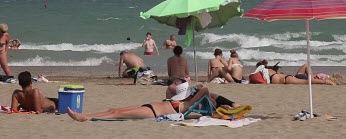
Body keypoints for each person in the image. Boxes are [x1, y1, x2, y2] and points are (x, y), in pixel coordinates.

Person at [67, 81, 210, 122]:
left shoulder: (189, 105)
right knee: (113, 110)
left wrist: (195, 89)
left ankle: (84, 117)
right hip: (147, 107)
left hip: (153, 112)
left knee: (117, 113)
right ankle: (86, 115)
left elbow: (205, 90)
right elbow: (170, 87)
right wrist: (189, 89)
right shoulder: (177, 99)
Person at [165, 77, 240, 109]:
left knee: (210, 94)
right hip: (197, 103)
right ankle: (229, 104)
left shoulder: (176, 90)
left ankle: (229, 104)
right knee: (206, 91)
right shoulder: (171, 87)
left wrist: (196, 88)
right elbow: (205, 90)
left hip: (196, 101)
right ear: (175, 81)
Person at [256, 60, 335, 85]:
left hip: (290, 78)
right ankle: (323, 80)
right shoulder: (269, 71)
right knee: (307, 75)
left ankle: (322, 80)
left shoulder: (266, 72)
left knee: (308, 79)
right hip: (292, 78)